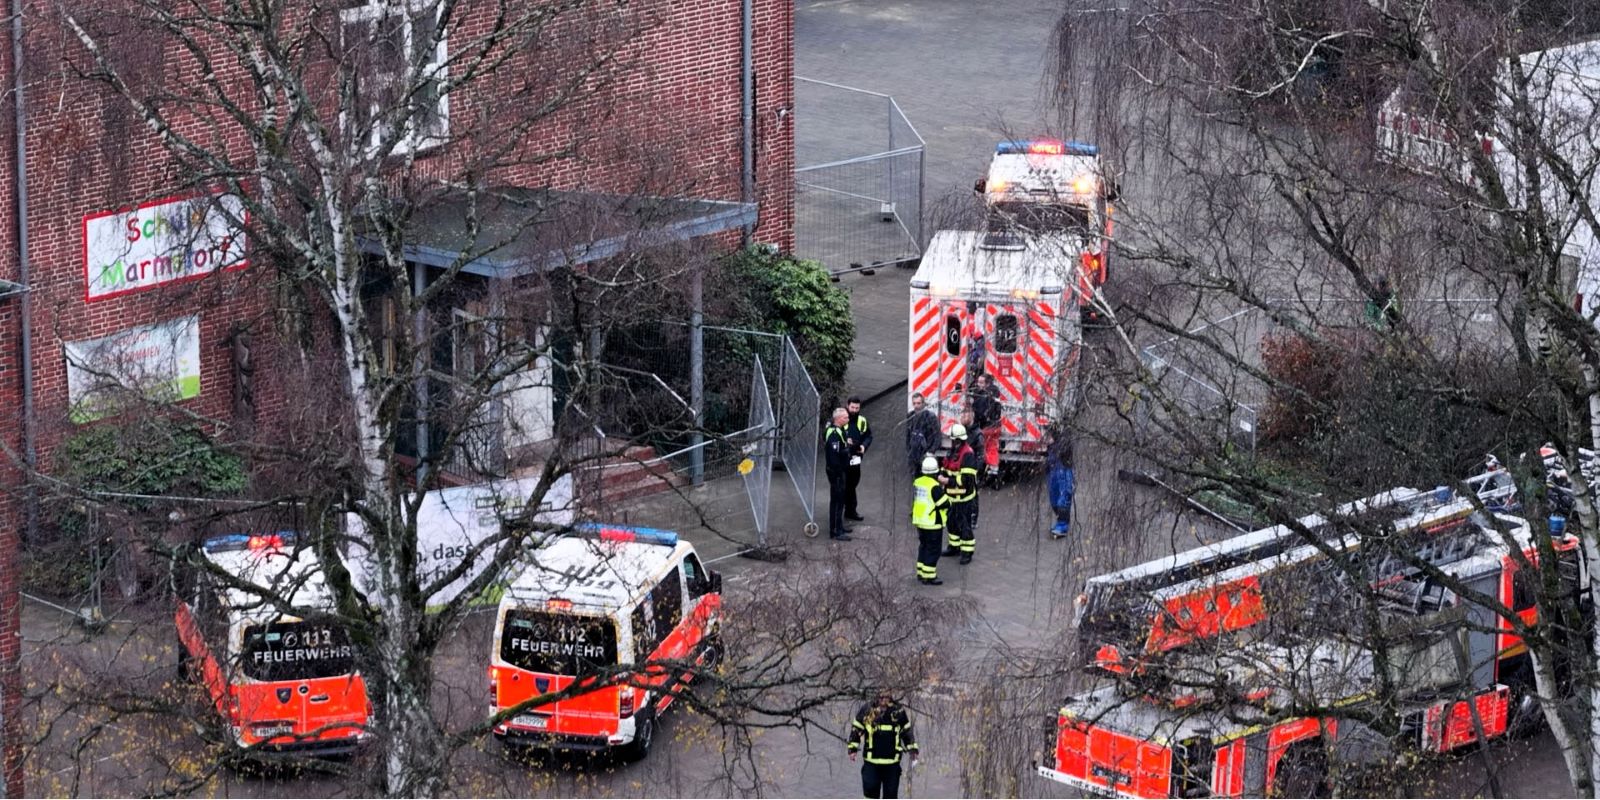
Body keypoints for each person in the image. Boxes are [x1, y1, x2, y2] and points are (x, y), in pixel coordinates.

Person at [847, 691, 919, 799]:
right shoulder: (868, 709)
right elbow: (857, 727)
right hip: (872, 762)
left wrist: (912, 749)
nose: (883, 700)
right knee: (870, 790)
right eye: (881, 696)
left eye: (886, 696)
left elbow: (906, 730)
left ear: (890, 695)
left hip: (892, 763)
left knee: (891, 793)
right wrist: (852, 748)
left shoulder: (897, 711)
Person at [941, 424, 981, 564]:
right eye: (953, 441)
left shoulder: (968, 454)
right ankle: (954, 546)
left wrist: (948, 481)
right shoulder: (951, 453)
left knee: (965, 526)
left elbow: (967, 480)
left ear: (961, 440)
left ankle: (967, 551)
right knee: (951, 524)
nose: (954, 443)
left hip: (964, 499)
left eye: (956, 441)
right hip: (951, 498)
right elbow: (945, 468)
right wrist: (940, 475)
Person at [910, 456, 949, 585]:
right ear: (935, 472)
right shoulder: (934, 486)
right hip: (932, 523)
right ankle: (930, 576)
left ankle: (921, 572)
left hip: (920, 521)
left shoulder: (918, 482)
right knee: (933, 550)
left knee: (924, 547)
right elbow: (944, 504)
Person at [825, 408, 853, 541]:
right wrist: (838, 472)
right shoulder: (834, 434)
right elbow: (833, 456)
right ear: (838, 419)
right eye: (845, 417)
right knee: (836, 501)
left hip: (840, 470)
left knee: (841, 500)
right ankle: (835, 531)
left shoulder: (839, 430)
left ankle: (839, 526)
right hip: (836, 472)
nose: (848, 419)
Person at [969, 373, 1003, 482]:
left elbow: (981, 413)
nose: (978, 384)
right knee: (992, 449)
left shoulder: (983, 396)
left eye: (981, 382)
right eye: (978, 382)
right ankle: (994, 474)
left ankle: (978, 475)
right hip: (996, 426)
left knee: (980, 450)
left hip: (987, 427)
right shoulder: (995, 392)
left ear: (987, 383)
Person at [845, 396, 873, 522]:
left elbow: (868, 436)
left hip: (856, 458)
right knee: (843, 487)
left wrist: (863, 446)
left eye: (857, 408)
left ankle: (851, 511)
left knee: (852, 485)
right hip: (843, 459)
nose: (855, 410)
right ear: (847, 405)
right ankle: (840, 513)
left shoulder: (862, 420)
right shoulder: (842, 418)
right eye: (852, 407)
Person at [904, 393, 940, 478]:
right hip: (914, 456)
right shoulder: (910, 416)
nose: (916, 406)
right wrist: (909, 451)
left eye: (918, 403)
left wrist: (930, 452)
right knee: (916, 481)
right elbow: (908, 435)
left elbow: (937, 436)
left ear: (923, 404)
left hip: (926, 455)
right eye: (914, 403)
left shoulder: (930, 417)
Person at [1048, 437, 1075, 539]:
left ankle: (1063, 524)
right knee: (1054, 493)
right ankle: (1061, 520)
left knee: (1063, 492)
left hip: (1063, 460)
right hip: (1054, 459)